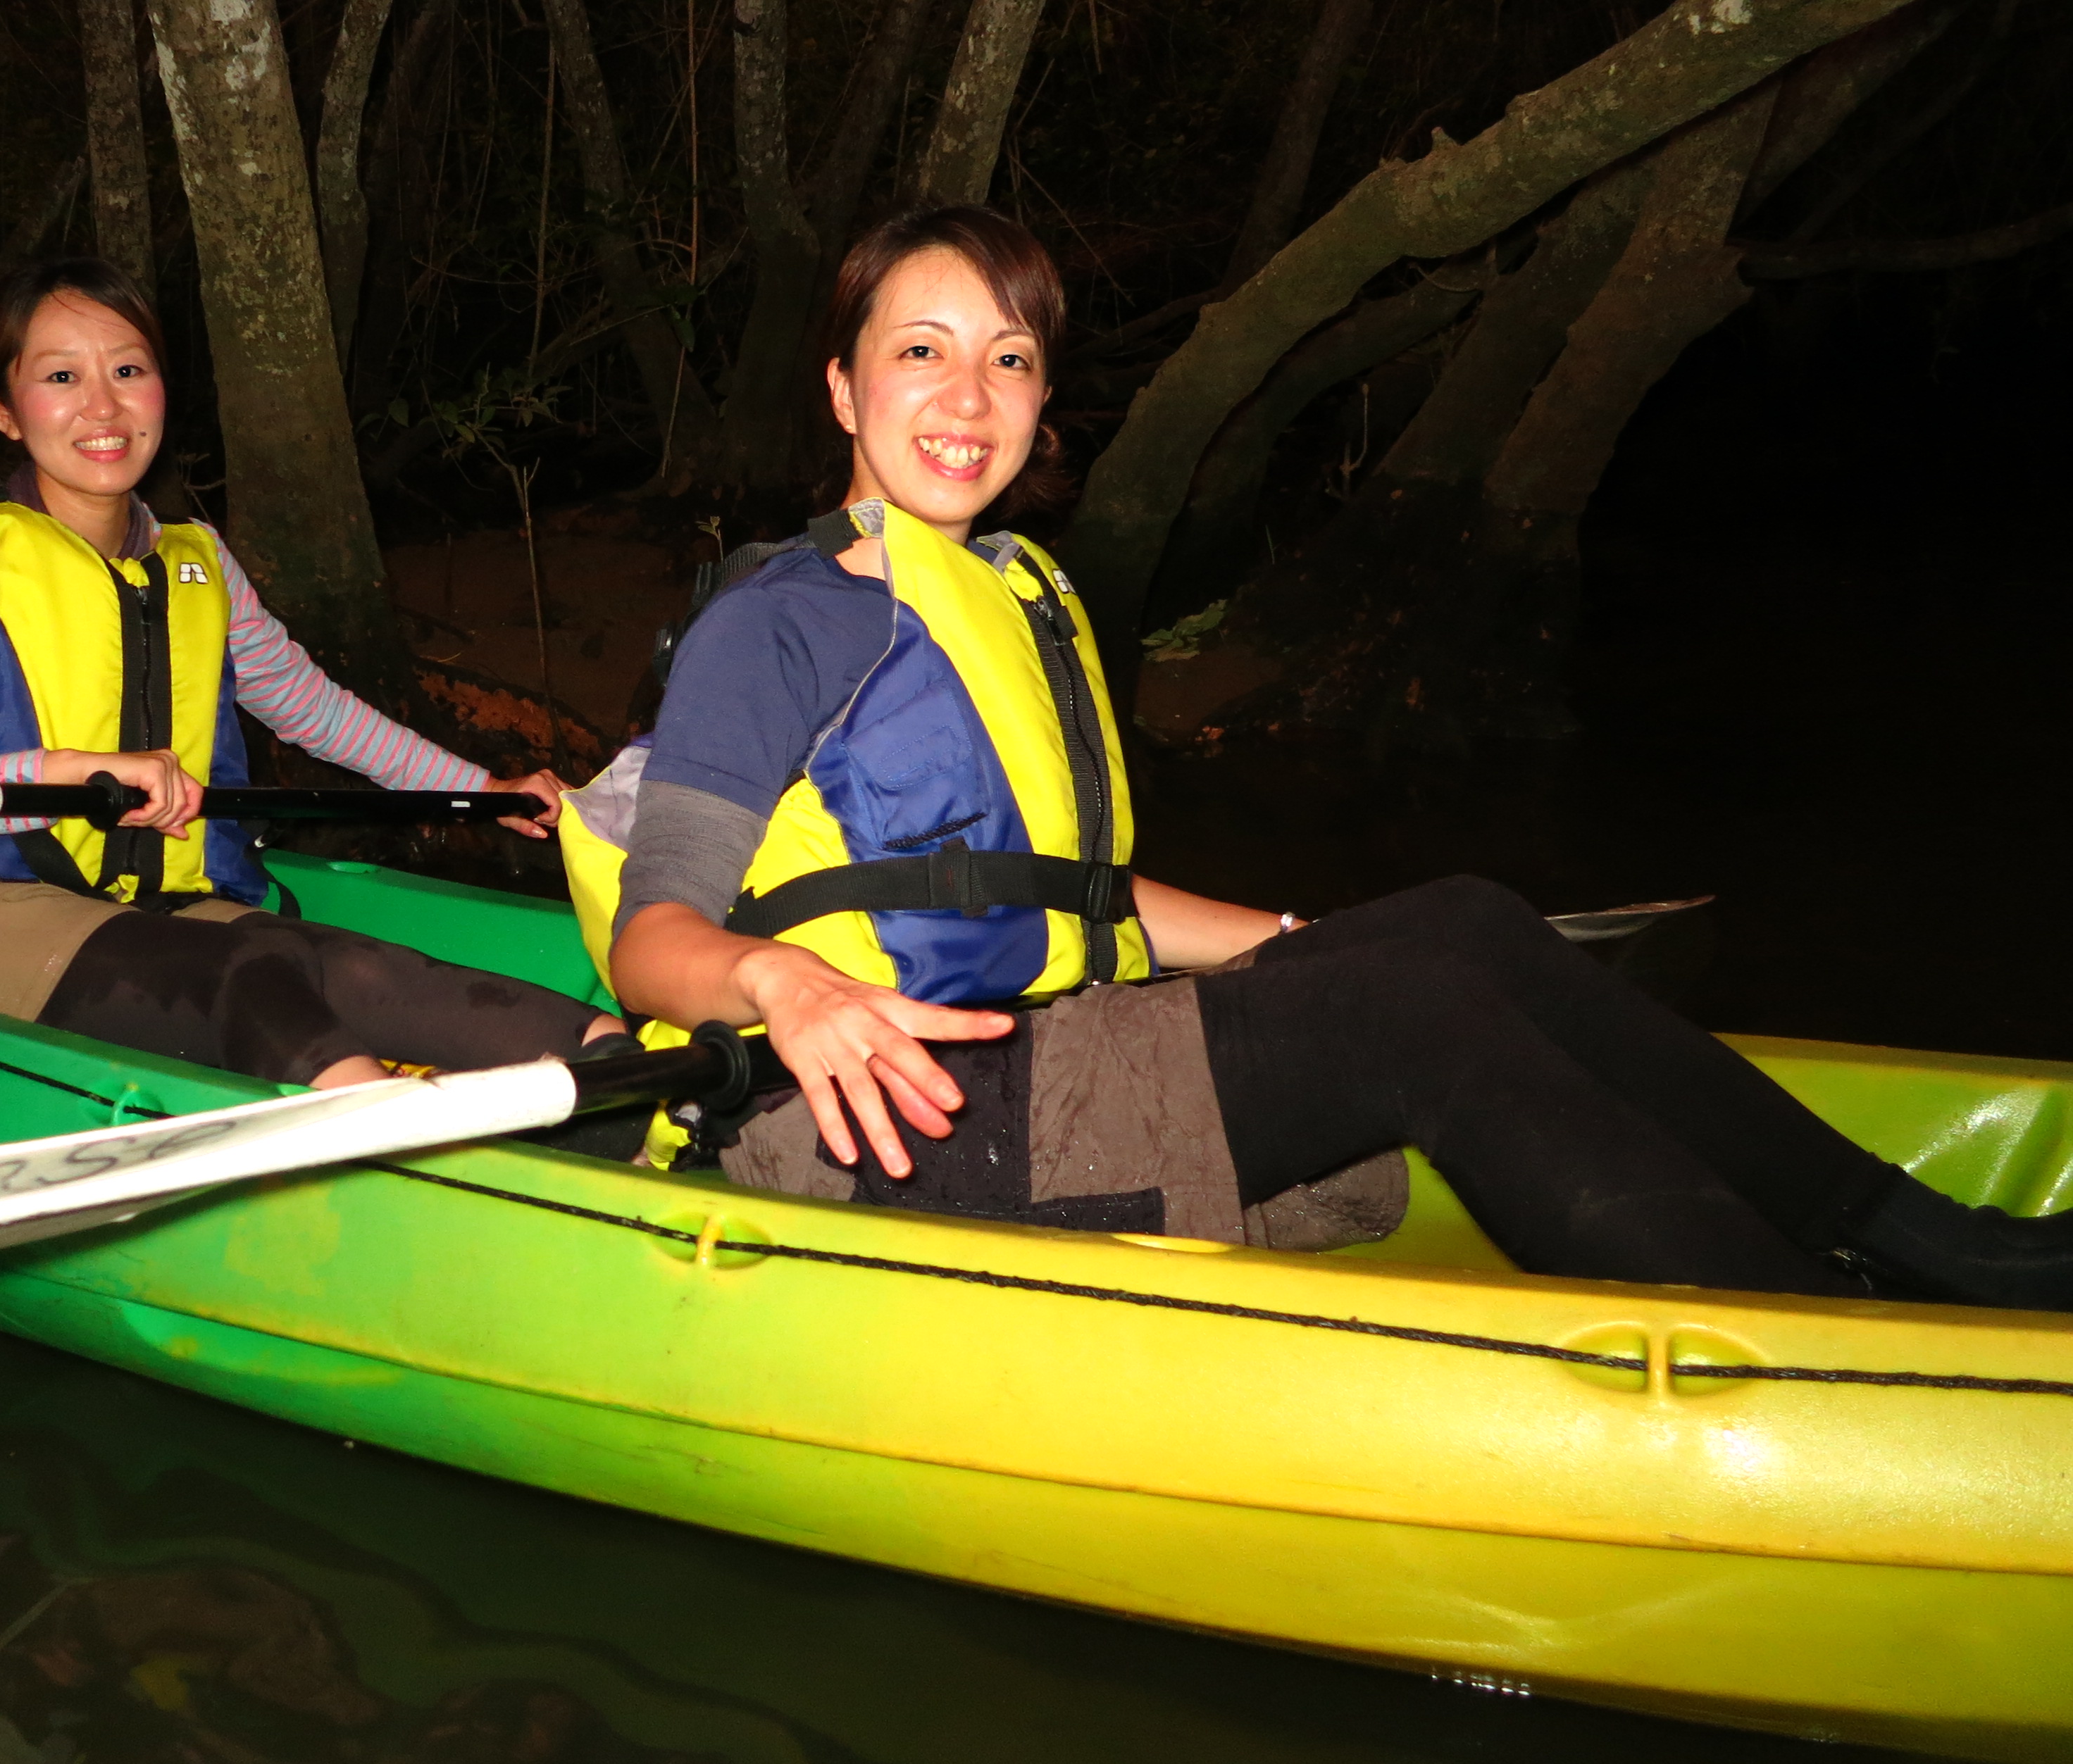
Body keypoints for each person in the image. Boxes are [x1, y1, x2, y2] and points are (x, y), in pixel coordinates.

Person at [561, 205, 2073, 1308]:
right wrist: (782, 984)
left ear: (1037, 400)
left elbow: (1078, 900)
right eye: (920, 352)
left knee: (1462, 922)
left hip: (1035, 1044)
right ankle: (1801, 1336)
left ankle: (1905, 1231)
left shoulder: (1013, 600)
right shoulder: (779, 624)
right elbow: (654, 944)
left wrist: (1303, 946)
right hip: (875, 1116)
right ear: (841, 389)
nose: (967, 398)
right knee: (1405, 1010)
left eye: (1007, 360)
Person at [0, 255, 626, 1089]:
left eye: (128, 369)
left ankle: (631, 1108)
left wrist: (478, 788)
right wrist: (64, 774)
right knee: (244, 981)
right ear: (2, 409)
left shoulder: (199, 562)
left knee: (396, 980)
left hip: (160, 907)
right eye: (60, 375)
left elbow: (314, 710)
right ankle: (406, 1158)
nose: (102, 405)